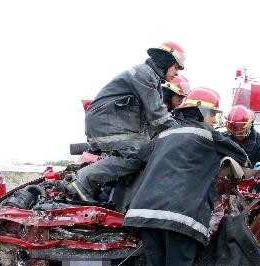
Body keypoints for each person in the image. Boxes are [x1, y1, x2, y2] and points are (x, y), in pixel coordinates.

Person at [123, 87, 248, 266]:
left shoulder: (164, 134)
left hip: (144, 213)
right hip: (179, 216)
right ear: (201, 111)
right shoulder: (208, 135)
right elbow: (241, 158)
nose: (214, 120)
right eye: (212, 114)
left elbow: (142, 159)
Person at [69, 41, 186, 201]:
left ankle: (110, 197)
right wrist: (183, 133)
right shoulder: (145, 74)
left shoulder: (151, 77)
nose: (177, 73)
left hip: (114, 123)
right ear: (165, 61)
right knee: (139, 156)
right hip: (108, 123)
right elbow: (157, 115)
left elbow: (150, 121)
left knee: (145, 153)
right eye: (176, 67)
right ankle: (83, 181)